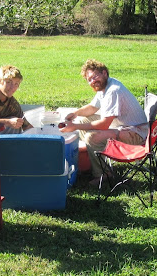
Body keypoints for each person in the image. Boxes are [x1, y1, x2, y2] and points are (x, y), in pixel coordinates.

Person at [59, 59, 148, 187]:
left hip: (136, 134)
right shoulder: (105, 86)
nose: (92, 81)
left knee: (92, 137)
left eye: (95, 76)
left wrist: (75, 126)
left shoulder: (113, 90)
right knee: (84, 120)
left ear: (105, 73)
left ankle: (103, 174)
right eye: (89, 79)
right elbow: (93, 107)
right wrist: (76, 113)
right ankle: (96, 160)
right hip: (122, 127)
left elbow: (105, 124)